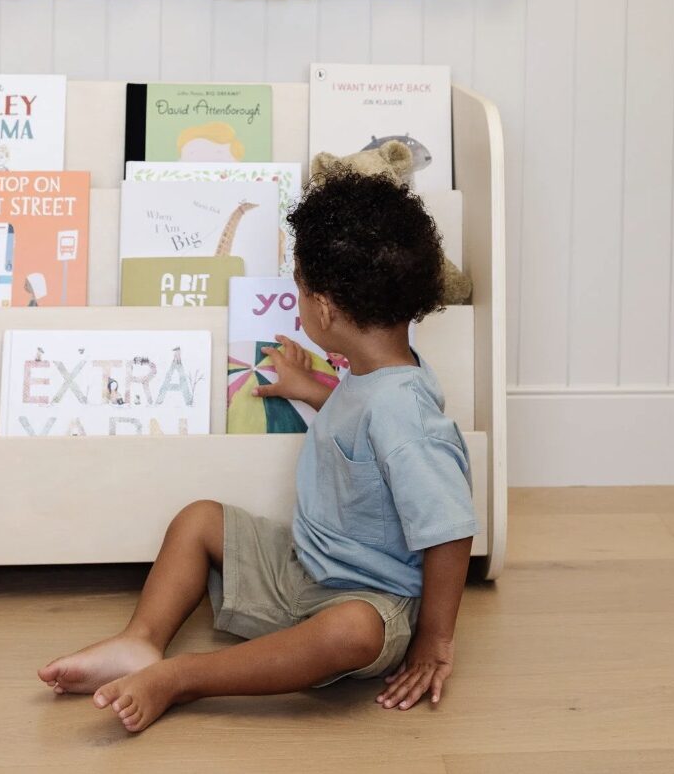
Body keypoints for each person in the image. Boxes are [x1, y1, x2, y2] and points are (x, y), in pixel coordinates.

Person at [39, 170, 478, 733]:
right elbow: (364, 426)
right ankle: (140, 641)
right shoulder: (378, 374)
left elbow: (451, 528)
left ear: (322, 309)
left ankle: (183, 677)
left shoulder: (407, 415)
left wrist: (434, 642)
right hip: (309, 561)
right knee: (200, 519)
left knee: (352, 634)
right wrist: (311, 390)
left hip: (372, 597)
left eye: (294, 284)